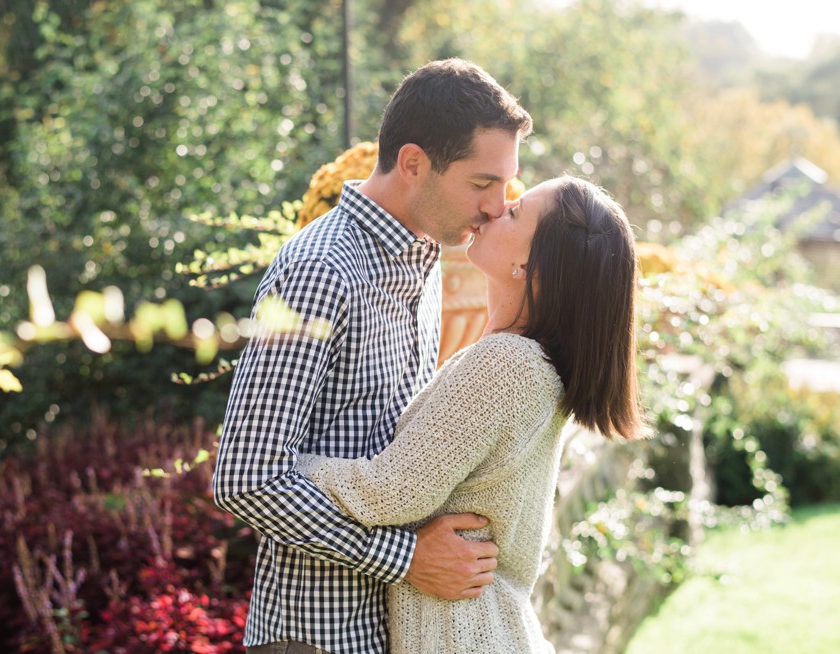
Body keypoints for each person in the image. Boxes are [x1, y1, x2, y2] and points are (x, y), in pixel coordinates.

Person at [213, 58, 533, 654]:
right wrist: (405, 558)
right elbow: (246, 480)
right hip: (316, 636)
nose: (496, 206)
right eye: (482, 183)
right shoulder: (319, 271)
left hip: (396, 630)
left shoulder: (426, 255)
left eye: (506, 187)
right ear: (413, 164)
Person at [296, 175, 647, 653]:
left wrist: (281, 468)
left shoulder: (506, 364)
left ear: (531, 264)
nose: (497, 208)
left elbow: (389, 494)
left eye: (517, 211)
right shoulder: (525, 364)